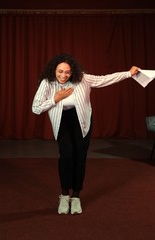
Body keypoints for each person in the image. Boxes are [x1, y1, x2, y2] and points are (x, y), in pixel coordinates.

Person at [32, 53, 140, 215]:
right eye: (60, 71)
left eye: (67, 72)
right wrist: (55, 99)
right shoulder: (48, 83)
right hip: (62, 121)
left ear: (72, 72)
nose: (63, 75)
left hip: (81, 120)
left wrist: (128, 74)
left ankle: (75, 196)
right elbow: (36, 108)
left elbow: (105, 79)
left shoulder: (83, 79)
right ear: (54, 70)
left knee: (80, 158)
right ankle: (63, 195)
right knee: (66, 156)